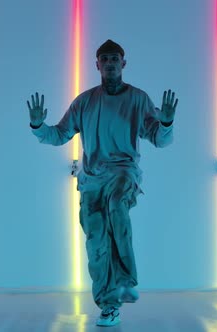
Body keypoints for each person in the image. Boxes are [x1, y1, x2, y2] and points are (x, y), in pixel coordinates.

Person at [27, 39, 177, 327]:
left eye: (115, 58)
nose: (110, 63)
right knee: (96, 242)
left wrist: (167, 123)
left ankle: (125, 281)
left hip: (123, 173)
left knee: (117, 209)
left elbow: (159, 139)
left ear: (124, 63)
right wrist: (38, 127)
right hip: (91, 181)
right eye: (104, 58)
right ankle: (109, 305)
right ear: (97, 64)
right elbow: (59, 135)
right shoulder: (84, 102)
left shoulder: (138, 99)